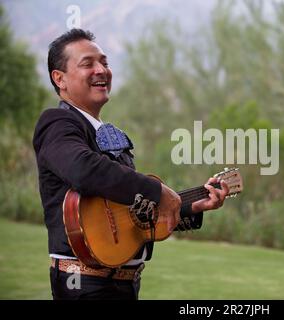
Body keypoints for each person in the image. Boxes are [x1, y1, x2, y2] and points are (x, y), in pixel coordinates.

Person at [32, 29, 229, 300]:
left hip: (124, 286)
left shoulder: (111, 134)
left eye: (105, 62)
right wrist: (158, 191)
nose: (101, 70)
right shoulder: (56, 123)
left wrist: (188, 206)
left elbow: (131, 217)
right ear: (60, 78)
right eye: (88, 64)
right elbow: (84, 169)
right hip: (83, 284)